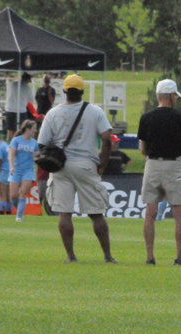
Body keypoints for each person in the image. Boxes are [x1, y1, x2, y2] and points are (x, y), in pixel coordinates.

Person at [38, 74, 116, 263]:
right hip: (86, 165)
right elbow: (107, 140)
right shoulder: (95, 111)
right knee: (96, 213)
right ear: (82, 91)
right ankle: (107, 256)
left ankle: (71, 256)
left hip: (61, 166)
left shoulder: (53, 113)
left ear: (64, 91)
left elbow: (42, 144)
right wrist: (103, 164)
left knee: (64, 213)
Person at [138, 79, 181, 266]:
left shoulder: (146, 117)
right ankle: (179, 257)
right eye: (175, 95)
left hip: (152, 164)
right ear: (170, 96)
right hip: (173, 165)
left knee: (150, 212)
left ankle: (150, 256)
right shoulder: (180, 118)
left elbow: (143, 147)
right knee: (179, 213)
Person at [8, 120, 39, 222]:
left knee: (23, 193)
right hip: (16, 169)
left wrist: (38, 156)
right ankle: (20, 210)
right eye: (34, 128)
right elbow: (11, 155)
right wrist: (11, 167)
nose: (35, 130)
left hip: (28, 170)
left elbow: (36, 156)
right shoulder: (16, 140)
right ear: (28, 129)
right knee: (13, 196)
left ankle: (19, 216)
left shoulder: (34, 143)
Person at [5, 73, 32, 142]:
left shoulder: (12, 85)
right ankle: (17, 143)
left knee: (10, 130)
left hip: (10, 109)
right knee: (21, 130)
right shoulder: (27, 88)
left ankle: (9, 142)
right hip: (21, 110)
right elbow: (30, 100)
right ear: (28, 79)